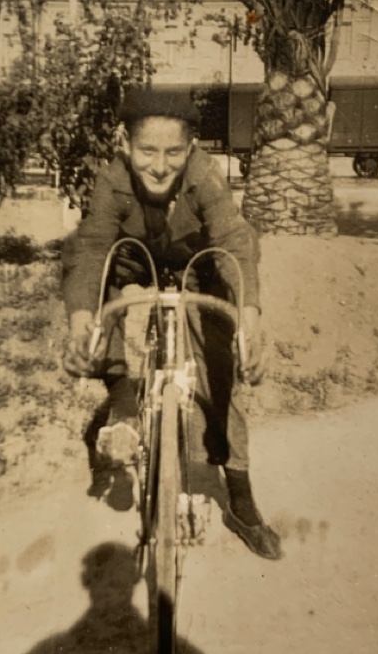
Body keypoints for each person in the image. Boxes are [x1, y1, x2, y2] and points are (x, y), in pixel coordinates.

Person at [61, 88, 281, 561]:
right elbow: (94, 246)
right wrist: (82, 320)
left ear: (191, 148)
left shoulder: (204, 175)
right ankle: (122, 396)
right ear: (125, 144)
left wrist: (249, 322)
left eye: (174, 152)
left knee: (220, 369)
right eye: (147, 151)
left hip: (197, 264)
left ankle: (240, 499)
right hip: (132, 260)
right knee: (94, 297)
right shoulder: (112, 178)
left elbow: (234, 241)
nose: (160, 166)